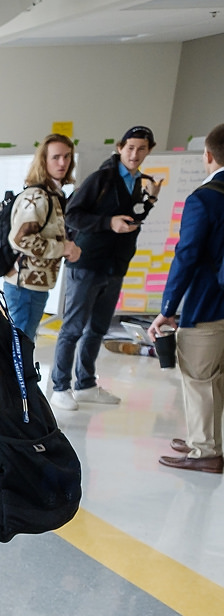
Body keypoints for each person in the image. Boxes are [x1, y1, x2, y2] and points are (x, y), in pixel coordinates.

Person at [52, 125, 162, 411]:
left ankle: (85, 383)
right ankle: (60, 386)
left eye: (141, 149)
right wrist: (107, 223)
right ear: (120, 148)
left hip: (115, 266)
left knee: (98, 328)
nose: (135, 154)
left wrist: (150, 199)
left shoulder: (139, 183)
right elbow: (72, 215)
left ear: (148, 151)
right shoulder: (102, 178)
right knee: (73, 327)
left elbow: (132, 217)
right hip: (88, 263)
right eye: (130, 148)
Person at [148, 123, 224, 474]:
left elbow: (187, 255)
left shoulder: (205, 198)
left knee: (200, 377)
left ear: (208, 156)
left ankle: (205, 451)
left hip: (209, 303)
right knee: (217, 378)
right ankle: (204, 437)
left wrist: (167, 309)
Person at [3, 134, 81, 343]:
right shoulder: (37, 197)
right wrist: (62, 248)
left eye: (67, 157)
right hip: (24, 286)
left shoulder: (55, 195)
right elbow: (20, 239)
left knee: (24, 344)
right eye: (56, 157)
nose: (63, 162)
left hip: (36, 284)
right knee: (18, 347)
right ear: (44, 161)